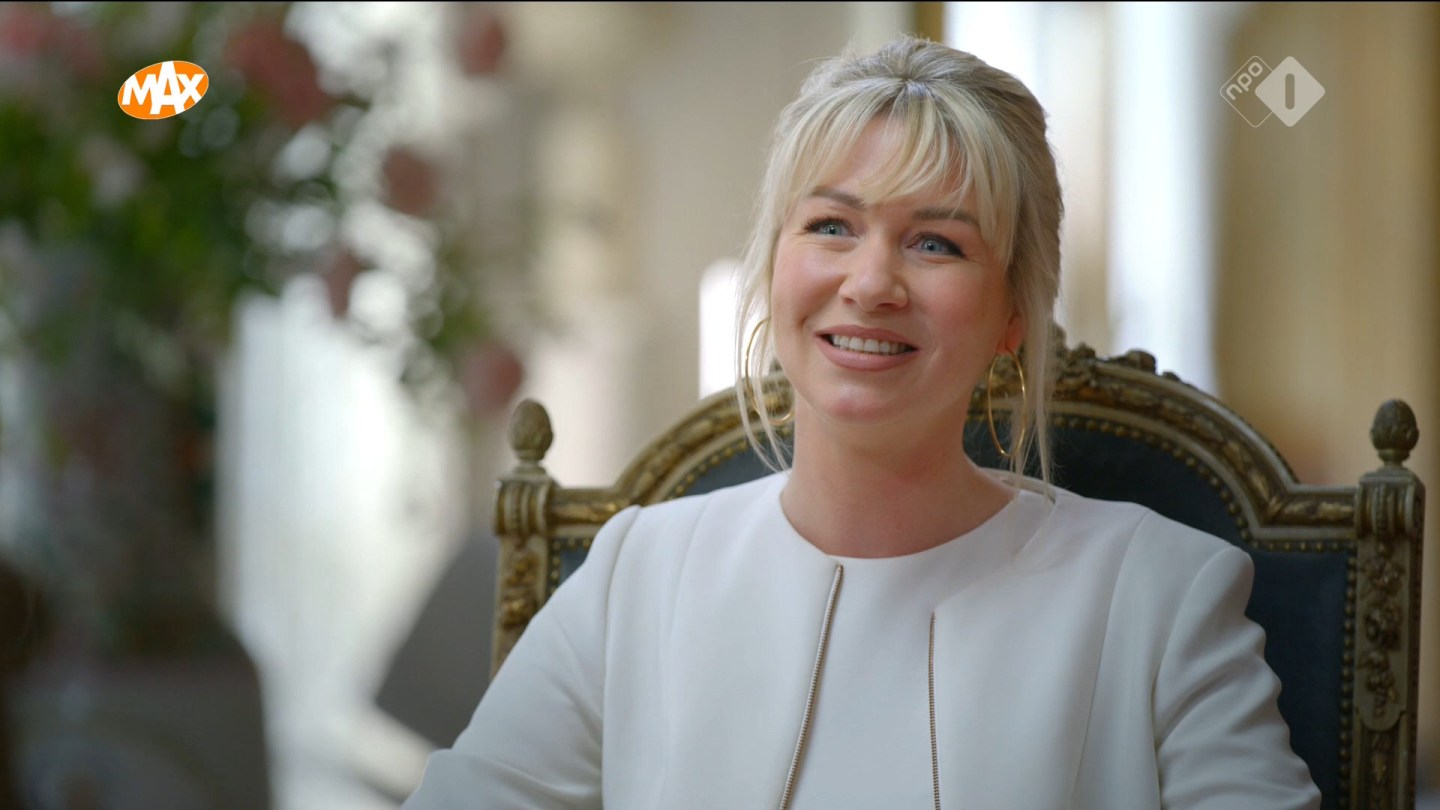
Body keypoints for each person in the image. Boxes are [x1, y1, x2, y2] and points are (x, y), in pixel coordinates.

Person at [402, 36, 1321, 809]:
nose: (872, 283)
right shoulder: (634, 574)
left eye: (936, 243)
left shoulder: (1163, 597)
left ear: (1013, 315)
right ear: (773, 266)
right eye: (832, 227)